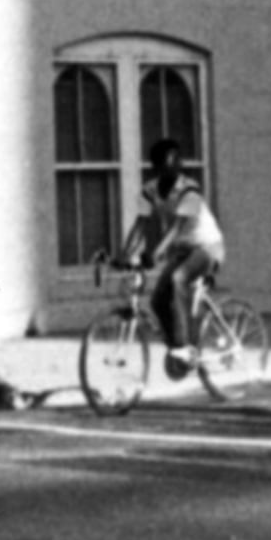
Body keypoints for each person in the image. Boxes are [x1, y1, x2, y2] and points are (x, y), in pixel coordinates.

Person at [113, 140, 227, 377]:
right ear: (156, 166)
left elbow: (176, 228)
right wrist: (124, 254)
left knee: (178, 279)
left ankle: (184, 346)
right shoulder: (150, 190)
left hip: (208, 246)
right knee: (157, 301)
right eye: (168, 162)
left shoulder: (190, 189)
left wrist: (155, 254)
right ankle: (178, 347)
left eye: (178, 161)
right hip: (183, 250)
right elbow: (140, 224)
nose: (175, 167)